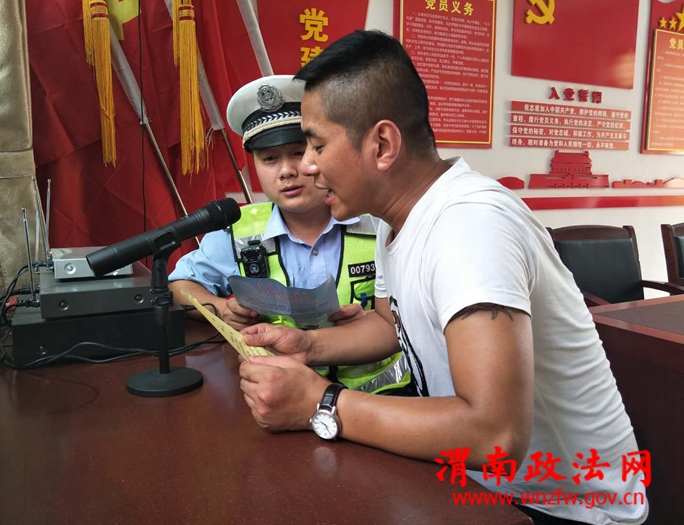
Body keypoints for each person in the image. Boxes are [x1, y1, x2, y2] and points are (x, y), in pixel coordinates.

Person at [237, 32, 648, 525]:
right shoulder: (396, 220)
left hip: (568, 508)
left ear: (382, 145)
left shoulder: (469, 226)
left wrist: (320, 403)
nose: (306, 165)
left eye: (317, 144)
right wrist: (309, 346)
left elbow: (495, 435)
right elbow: (391, 325)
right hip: (481, 487)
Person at [169, 74, 410, 395]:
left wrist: (374, 320)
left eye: (298, 153)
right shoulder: (237, 231)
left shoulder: (378, 223)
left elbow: (415, 316)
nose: (286, 171)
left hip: (382, 397)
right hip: (275, 394)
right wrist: (220, 309)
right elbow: (179, 285)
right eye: (269, 159)